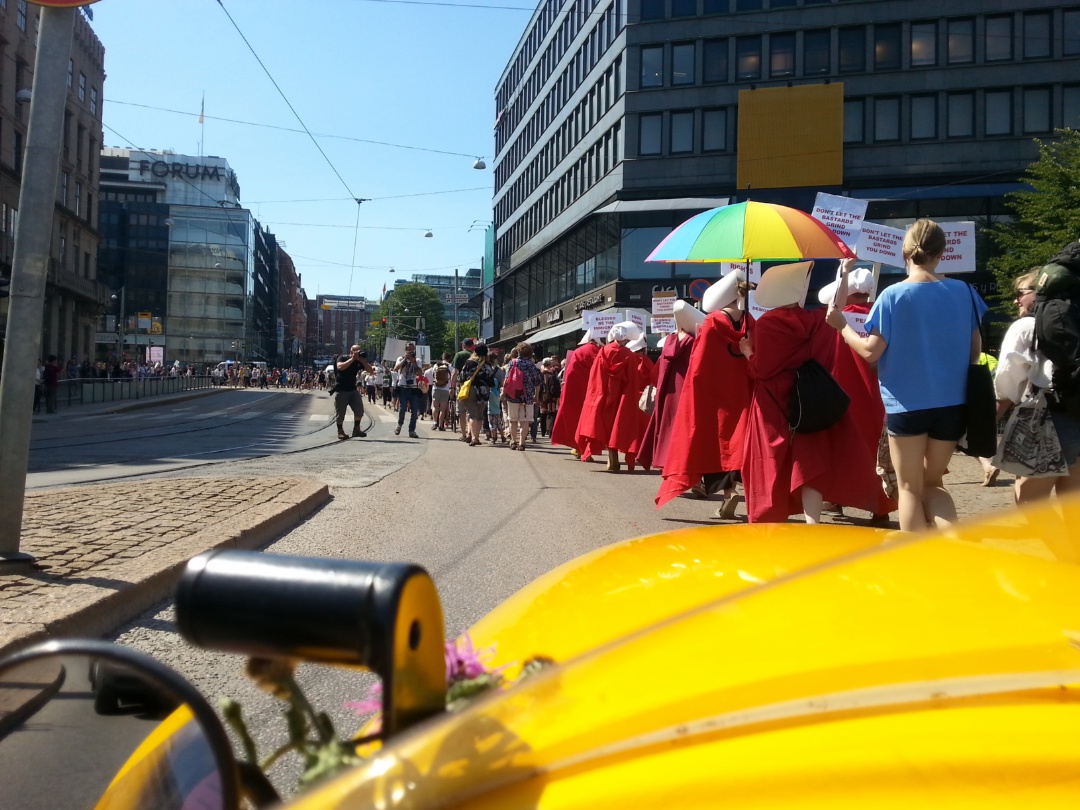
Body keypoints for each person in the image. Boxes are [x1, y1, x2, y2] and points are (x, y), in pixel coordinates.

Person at [826, 219, 986, 532]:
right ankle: (956, 548)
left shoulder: (892, 296)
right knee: (934, 482)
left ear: (904, 253)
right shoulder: (966, 293)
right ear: (942, 253)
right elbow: (975, 353)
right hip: (952, 404)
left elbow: (870, 352)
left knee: (909, 487)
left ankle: (916, 557)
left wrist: (842, 326)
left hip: (906, 404)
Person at [744, 261, 880, 524]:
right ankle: (813, 522)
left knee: (770, 459)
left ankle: (769, 516)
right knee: (808, 461)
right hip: (811, 395)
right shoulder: (817, 319)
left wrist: (748, 352)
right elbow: (836, 308)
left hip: (773, 399)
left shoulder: (767, 323)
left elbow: (762, 369)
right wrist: (844, 272)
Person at [656, 271, 753, 517]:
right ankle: (732, 491)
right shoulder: (750, 321)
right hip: (743, 392)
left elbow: (699, 366)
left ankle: (728, 494)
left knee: (714, 444)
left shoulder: (711, 322)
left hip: (714, 395)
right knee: (737, 443)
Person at [817, 262, 898, 523]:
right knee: (879, 451)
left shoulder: (837, 318)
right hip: (883, 397)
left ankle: (835, 499)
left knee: (842, 450)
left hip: (845, 396)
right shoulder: (882, 315)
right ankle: (881, 508)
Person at [993, 269, 1078, 503]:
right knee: (1073, 505)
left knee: (1030, 503)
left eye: (1020, 293)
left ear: (1038, 291)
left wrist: (989, 420)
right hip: (1076, 412)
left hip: (1048, 419)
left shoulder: (1026, 326)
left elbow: (1007, 382)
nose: (1016, 300)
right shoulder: (1076, 318)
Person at [638, 301, 703, 473]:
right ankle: (684, 469)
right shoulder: (694, 342)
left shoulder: (668, 342)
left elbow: (657, 373)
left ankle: (667, 463)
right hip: (687, 392)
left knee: (667, 428)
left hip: (667, 394)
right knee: (686, 430)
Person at [576, 322, 648, 472]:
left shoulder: (603, 352)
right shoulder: (629, 355)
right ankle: (613, 455)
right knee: (618, 427)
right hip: (621, 398)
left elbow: (595, 377)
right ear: (625, 338)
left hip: (603, 396)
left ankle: (611, 456)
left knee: (604, 426)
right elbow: (633, 380)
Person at [551, 328, 603, 455]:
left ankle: (579, 448)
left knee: (576, 420)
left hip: (577, 392)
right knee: (592, 422)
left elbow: (570, 375)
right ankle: (588, 448)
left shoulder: (578, 352)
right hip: (594, 392)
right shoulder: (601, 352)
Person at [503, 341, 543, 451]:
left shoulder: (512, 363)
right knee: (524, 421)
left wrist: (504, 393)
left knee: (513, 420)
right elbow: (537, 382)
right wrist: (536, 395)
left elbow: (506, 380)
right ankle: (522, 443)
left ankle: (513, 441)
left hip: (513, 396)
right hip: (527, 397)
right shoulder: (531, 365)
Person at [458, 343, 497, 446]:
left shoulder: (469, 362)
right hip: (483, 391)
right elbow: (491, 381)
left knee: (472, 414)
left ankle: (474, 437)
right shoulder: (487, 365)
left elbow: (461, 377)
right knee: (480, 415)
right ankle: (477, 437)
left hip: (470, 390)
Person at [334, 345, 373, 440]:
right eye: (356, 351)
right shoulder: (343, 357)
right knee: (340, 412)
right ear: (351, 351)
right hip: (341, 389)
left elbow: (371, 371)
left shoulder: (359, 361)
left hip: (353, 389)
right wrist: (352, 359)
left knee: (359, 410)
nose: (358, 353)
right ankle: (340, 431)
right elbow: (340, 367)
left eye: (359, 351)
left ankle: (356, 429)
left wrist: (363, 361)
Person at [393, 343, 424, 438]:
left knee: (414, 410)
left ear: (414, 350)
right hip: (403, 387)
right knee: (402, 408)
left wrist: (413, 362)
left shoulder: (417, 360)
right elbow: (395, 368)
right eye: (408, 349)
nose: (410, 351)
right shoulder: (400, 358)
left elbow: (420, 373)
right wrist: (404, 360)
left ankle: (412, 430)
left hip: (413, 387)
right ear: (405, 350)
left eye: (411, 349)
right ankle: (399, 425)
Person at [538, 358, 561, 437]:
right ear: (550, 364)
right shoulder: (553, 373)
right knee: (552, 413)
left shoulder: (541, 373)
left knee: (543, 413)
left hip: (543, 395)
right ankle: (551, 431)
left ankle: (543, 431)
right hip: (552, 395)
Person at [430, 352, 454, 430]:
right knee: (442, 409)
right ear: (449, 358)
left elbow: (433, 376)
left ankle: (435, 423)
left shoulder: (436, 365)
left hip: (435, 388)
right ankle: (441, 425)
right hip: (446, 389)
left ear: (442, 357)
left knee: (435, 407)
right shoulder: (450, 367)